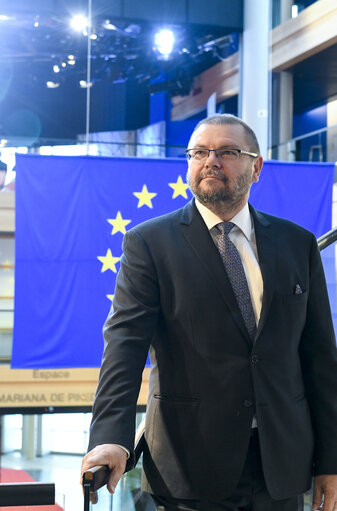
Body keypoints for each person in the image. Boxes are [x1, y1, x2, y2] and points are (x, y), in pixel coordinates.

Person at [81, 114, 337, 511]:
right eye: (199, 152)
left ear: (256, 168)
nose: (211, 161)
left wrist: (331, 461)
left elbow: (320, 359)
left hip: (281, 466)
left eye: (228, 152)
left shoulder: (296, 244)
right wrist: (109, 438)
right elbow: (124, 348)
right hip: (188, 467)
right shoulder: (149, 243)